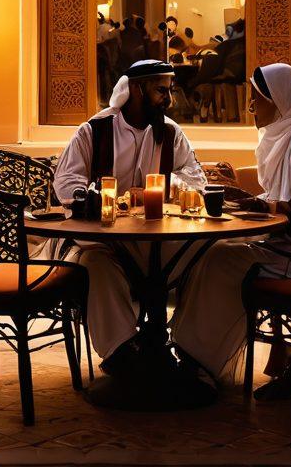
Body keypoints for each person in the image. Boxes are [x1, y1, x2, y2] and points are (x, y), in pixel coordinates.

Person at [171, 62, 291, 396]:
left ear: (278, 99)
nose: (250, 107)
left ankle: (200, 361)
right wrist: (249, 198)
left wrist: (256, 205)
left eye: (257, 99)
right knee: (209, 253)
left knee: (217, 261)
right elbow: (287, 199)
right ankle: (193, 353)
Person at [53, 60, 207, 373]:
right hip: (102, 241)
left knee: (209, 255)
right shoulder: (93, 131)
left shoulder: (170, 133)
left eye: (170, 91)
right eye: (161, 91)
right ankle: (121, 353)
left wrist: (165, 186)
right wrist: (88, 198)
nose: (169, 99)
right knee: (94, 266)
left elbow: (195, 177)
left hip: (158, 239)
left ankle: (189, 351)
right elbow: (67, 180)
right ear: (136, 89)